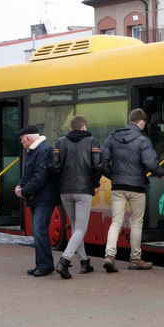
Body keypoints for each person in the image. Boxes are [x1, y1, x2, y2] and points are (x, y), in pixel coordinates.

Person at [101, 108, 164, 272]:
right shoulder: (142, 139)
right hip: (137, 186)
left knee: (116, 222)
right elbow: (151, 163)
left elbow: (103, 163)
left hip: (118, 186)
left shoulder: (111, 138)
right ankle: (135, 259)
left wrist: (114, 176)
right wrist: (159, 173)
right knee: (136, 222)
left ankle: (109, 256)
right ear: (142, 122)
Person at [50, 116, 103, 279]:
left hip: (65, 190)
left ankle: (84, 262)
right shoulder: (92, 141)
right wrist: (95, 183)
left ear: (70, 128)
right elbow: (97, 165)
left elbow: (54, 166)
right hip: (83, 190)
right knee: (80, 228)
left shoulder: (60, 142)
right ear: (84, 126)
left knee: (75, 228)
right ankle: (64, 261)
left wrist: (61, 181)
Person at [15, 125, 60, 277]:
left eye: (22, 140)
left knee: (39, 231)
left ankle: (45, 266)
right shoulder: (35, 150)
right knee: (38, 231)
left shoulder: (43, 150)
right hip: (38, 197)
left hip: (44, 198)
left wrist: (24, 191)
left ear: (28, 138)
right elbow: (29, 173)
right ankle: (41, 264)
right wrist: (20, 185)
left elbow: (40, 177)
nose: (21, 143)